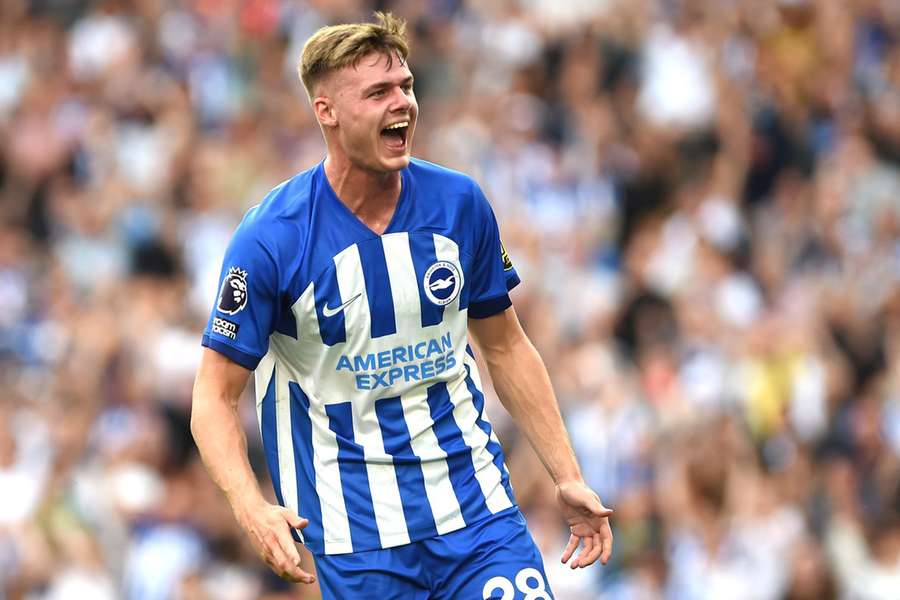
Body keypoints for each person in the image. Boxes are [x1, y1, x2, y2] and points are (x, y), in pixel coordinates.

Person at [191, 12, 613, 599]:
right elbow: (212, 397)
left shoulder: (459, 203)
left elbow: (506, 346)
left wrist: (566, 475)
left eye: (407, 86)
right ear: (327, 112)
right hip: (356, 538)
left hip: (476, 512)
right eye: (378, 92)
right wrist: (250, 506)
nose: (403, 104)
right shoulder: (272, 237)